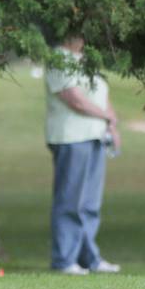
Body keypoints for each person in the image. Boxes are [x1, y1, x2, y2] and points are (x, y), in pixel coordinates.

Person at [45, 34, 122, 275]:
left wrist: (111, 124)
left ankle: (89, 258)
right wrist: (105, 116)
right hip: (71, 137)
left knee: (90, 202)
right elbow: (73, 98)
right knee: (70, 201)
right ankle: (64, 259)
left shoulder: (87, 59)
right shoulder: (58, 57)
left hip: (95, 135)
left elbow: (101, 95)